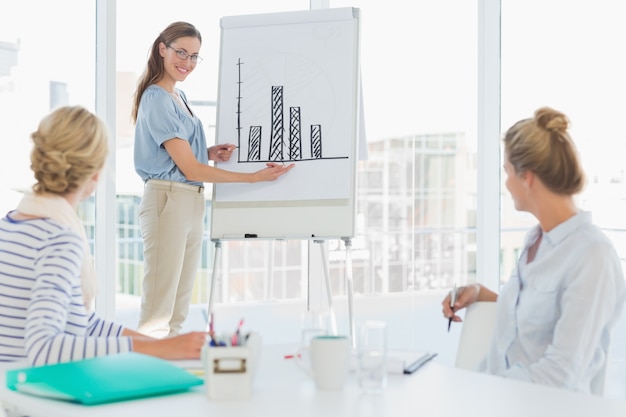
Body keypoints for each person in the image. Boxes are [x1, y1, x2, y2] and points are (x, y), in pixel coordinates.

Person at [0, 106, 207, 367]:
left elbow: (79, 322)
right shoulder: (60, 240)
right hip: (33, 400)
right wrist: (153, 350)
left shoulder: (10, 225)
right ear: (96, 174)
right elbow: (44, 347)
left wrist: (162, 347)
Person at [442, 107, 626, 393]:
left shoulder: (593, 257)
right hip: (491, 398)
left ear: (526, 177)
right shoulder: (535, 241)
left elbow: (561, 374)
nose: (506, 184)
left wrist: (485, 392)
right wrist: (480, 293)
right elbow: (532, 314)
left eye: (508, 173)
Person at [131, 21, 294, 338]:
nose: (187, 63)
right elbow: (189, 169)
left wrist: (206, 151)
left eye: (194, 56)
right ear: (162, 49)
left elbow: (178, 157)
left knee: (178, 305)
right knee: (158, 309)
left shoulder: (179, 97)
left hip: (188, 200)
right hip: (169, 198)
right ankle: (145, 373)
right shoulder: (157, 98)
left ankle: (170, 375)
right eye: (181, 52)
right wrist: (254, 177)